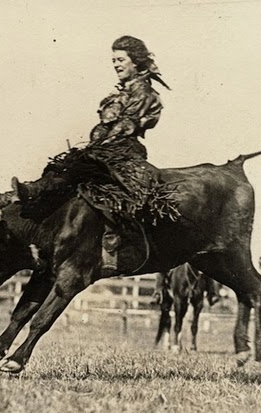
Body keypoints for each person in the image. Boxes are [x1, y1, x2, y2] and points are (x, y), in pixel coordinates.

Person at [15, 36, 172, 273]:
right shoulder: (123, 91)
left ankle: (111, 236)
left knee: (84, 171)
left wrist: (98, 145)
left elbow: (123, 126)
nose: (116, 65)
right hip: (108, 147)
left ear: (135, 62)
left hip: (123, 150)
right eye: (113, 61)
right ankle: (29, 200)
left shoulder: (144, 92)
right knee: (66, 167)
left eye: (120, 60)